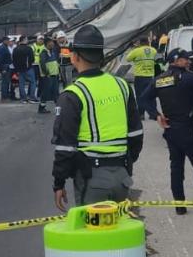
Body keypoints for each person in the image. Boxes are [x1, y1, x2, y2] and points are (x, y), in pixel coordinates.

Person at [51, 25, 143, 209]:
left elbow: (65, 146)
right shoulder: (122, 85)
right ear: (101, 57)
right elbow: (136, 133)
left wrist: (59, 183)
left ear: (74, 56)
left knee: (94, 236)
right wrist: (125, 164)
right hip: (122, 176)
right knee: (119, 234)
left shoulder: (73, 94)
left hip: (91, 180)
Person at [142, 48, 193, 216]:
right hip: (190, 128)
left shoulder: (160, 80)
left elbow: (144, 98)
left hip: (171, 130)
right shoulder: (189, 78)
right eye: (186, 59)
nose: (189, 61)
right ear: (176, 61)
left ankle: (180, 205)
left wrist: (156, 115)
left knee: (176, 168)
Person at [126, 36, 159, 120]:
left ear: (140, 42)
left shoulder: (136, 51)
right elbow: (157, 59)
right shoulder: (153, 50)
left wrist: (136, 48)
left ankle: (141, 114)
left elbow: (128, 59)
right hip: (150, 77)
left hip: (140, 77)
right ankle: (153, 114)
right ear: (148, 42)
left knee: (140, 96)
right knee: (151, 96)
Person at [36, 38, 59, 114]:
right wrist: (46, 73)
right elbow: (42, 64)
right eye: (51, 42)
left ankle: (58, 110)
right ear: (47, 44)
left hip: (54, 75)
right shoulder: (44, 52)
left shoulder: (51, 51)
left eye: (52, 42)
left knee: (56, 92)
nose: (52, 44)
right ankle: (41, 108)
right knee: (46, 93)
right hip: (48, 76)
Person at [12, 36, 36, 104]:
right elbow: (32, 59)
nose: (28, 40)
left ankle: (23, 99)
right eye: (27, 39)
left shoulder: (15, 49)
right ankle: (32, 97)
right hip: (28, 68)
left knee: (21, 84)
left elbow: (13, 60)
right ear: (24, 40)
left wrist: (16, 69)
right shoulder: (28, 48)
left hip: (19, 69)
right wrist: (29, 65)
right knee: (32, 82)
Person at [0, 37, 14, 101]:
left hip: (7, 66)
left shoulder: (4, 47)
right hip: (5, 67)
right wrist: (3, 69)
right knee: (5, 83)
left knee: (6, 82)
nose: (9, 41)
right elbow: (0, 60)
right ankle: (4, 97)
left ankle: (6, 96)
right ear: (4, 41)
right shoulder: (2, 48)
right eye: (8, 40)